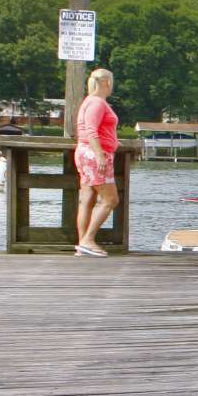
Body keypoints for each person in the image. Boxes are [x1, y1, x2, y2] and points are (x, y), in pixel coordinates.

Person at [72, 67, 119, 257]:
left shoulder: (89, 101)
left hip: (86, 153)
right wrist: (100, 155)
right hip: (94, 155)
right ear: (107, 82)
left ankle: (83, 246)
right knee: (111, 199)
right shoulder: (97, 103)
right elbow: (91, 130)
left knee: (88, 199)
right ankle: (88, 240)